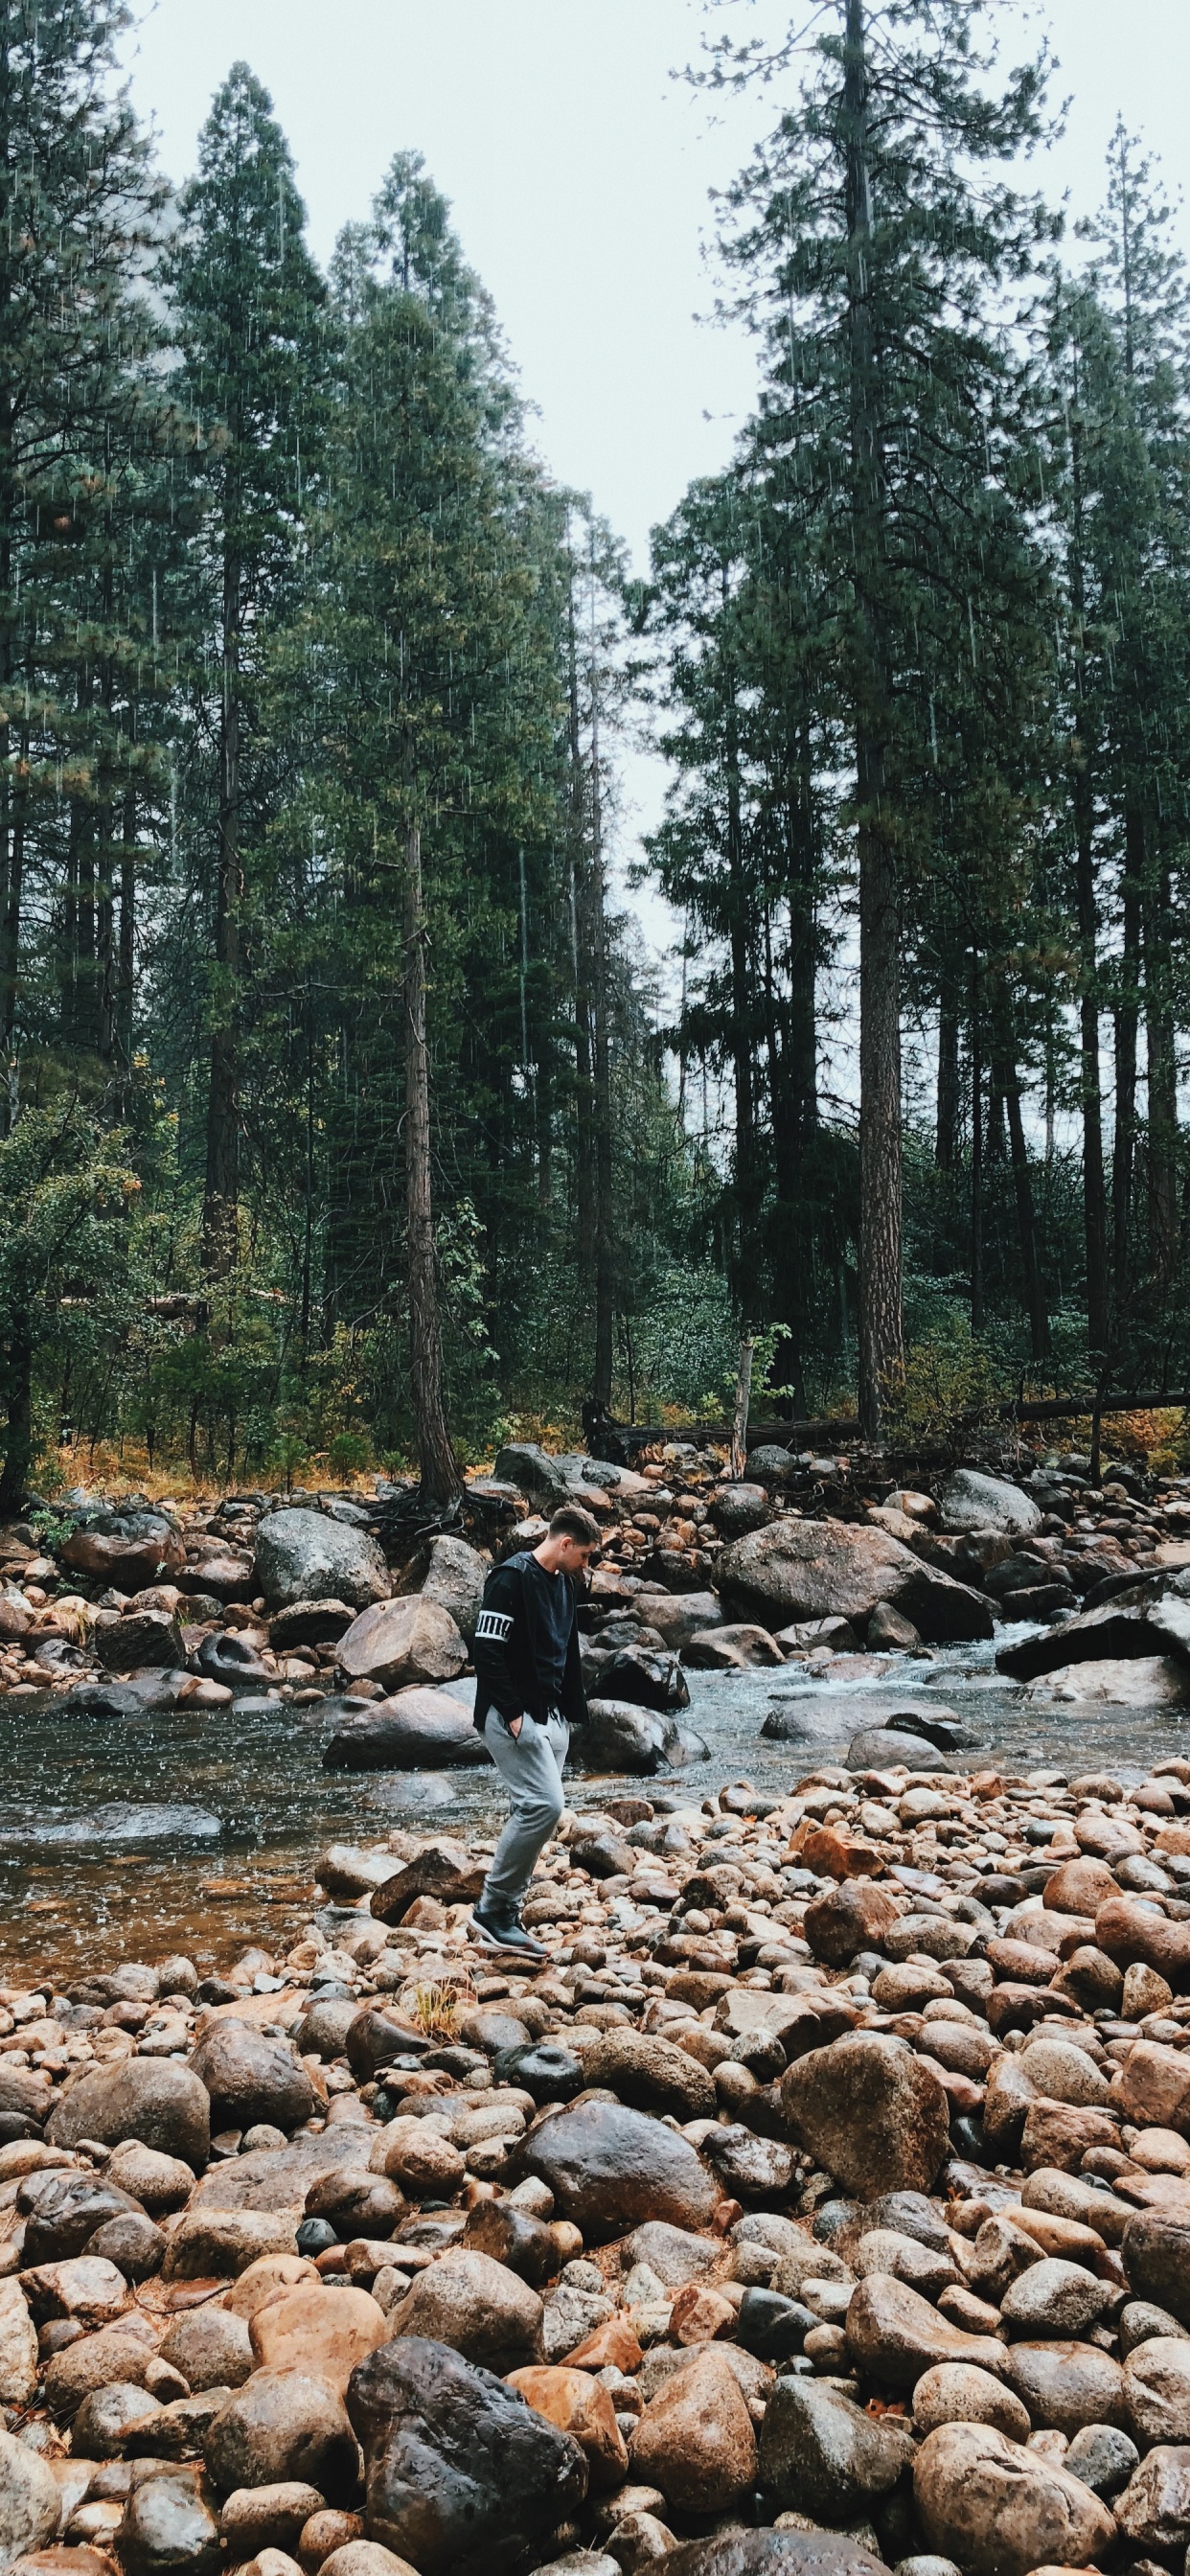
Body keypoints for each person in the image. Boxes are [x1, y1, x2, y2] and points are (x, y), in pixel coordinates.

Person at [469, 1502, 600, 1958]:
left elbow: (564, 1653)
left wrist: (565, 1716)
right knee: (544, 1806)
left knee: (529, 1810)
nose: (586, 1567)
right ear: (565, 1543)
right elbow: (486, 1651)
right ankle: (493, 1910)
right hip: (511, 1715)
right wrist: (512, 1712)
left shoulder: (563, 1584)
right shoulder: (510, 1579)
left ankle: (507, 1917)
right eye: (584, 1556)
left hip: (549, 1717)